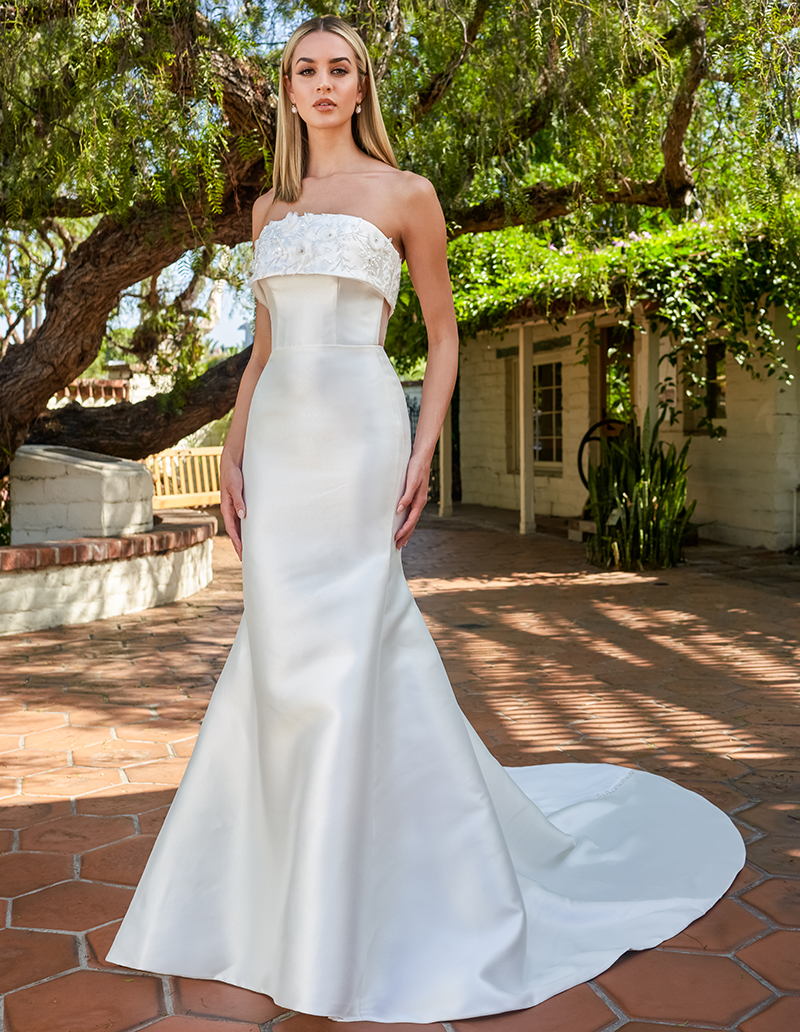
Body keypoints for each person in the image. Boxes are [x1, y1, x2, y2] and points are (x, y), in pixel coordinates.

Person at [108, 15, 745, 1023]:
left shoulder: (407, 195)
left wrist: (421, 449)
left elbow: (441, 340)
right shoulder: (269, 207)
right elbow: (261, 348)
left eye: (339, 70)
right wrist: (231, 448)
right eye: (304, 69)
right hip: (278, 439)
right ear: (287, 88)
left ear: (361, 88)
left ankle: (366, 887)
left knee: (354, 642)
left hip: (360, 436)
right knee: (279, 651)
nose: (322, 84)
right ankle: (274, 880)